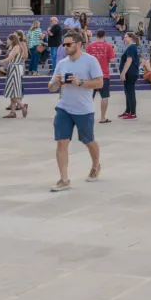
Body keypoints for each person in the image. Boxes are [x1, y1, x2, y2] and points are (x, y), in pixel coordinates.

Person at [48, 30, 103, 192]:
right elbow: (51, 87)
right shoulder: (62, 63)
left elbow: (99, 83)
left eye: (68, 44)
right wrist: (56, 83)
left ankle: (95, 165)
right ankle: (64, 179)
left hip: (84, 109)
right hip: (64, 107)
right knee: (61, 142)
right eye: (64, 44)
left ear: (79, 44)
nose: (65, 47)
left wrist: (80, 82)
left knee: (88, 140)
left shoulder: (90, 61)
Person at [86, 29, 115, 124]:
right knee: (105, 96)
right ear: (104, 35)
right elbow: (112, 60)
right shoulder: (108, 46)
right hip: (104, 74)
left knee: (89, 97)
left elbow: (86, 60)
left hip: (91, 75)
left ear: (96, 35)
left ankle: (87, 117)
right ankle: (102, 117)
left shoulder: (90, 46)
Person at [1, 33, 28, 118]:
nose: (7, 41)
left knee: (11, 91)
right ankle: (13, 112)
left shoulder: (19, 45)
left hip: (15, 68)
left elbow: (24, 56)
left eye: (8, 39)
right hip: (16, 67)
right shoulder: (15, 46)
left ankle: (22, 105)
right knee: (13, 91)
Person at [119, 32, 140, 120]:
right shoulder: (132, 47)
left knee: (130, 92)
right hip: (130, 72)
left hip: (130, 73)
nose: (124, 39)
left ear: (131, 38)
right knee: (127, 92)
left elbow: (129, 61)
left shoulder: (132, 47)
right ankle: (128, 111)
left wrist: (123, 73)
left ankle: (133, 113)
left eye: (126, 37)